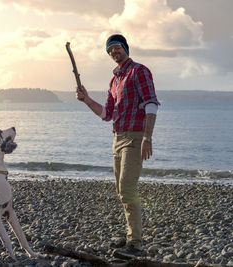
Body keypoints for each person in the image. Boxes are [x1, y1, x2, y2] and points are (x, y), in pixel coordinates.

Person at [76, 34, 159, 259]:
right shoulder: (115, 80)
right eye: (110, 49)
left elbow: (151, 103)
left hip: (135, 136)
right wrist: (86, 100)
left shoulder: (139, 71)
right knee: (121, 191)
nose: (114, 51)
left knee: (128, 189)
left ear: (125, 48)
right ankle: (132, 235)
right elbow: (107, 114)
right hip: (118, 138)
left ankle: (135, 244)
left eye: (117, 47)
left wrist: (147, 138)